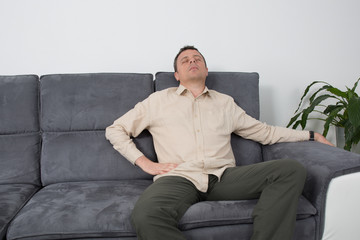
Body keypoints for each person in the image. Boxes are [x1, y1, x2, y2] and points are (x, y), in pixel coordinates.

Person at [105, 46, 334, 240]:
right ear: (177, 75)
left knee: (290, 170)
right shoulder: (157, 101)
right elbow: (116, 130)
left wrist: (310, 135)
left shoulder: (225, 103)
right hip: (179, 177)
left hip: (224, 176)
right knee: (145, 216)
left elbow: (265, 132)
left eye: (197, 59)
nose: (192, 61)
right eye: (185, 60)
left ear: (205, 70)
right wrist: (146, 163)